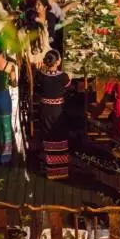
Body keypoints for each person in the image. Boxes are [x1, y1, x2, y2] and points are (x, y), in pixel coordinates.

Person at [35, 50, 72, 179]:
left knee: (47, 136)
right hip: (58, 111)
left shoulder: (40, 76)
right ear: (58, 62)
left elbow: (37, 89)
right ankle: (60, 169)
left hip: (45, 110)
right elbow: (69, 89)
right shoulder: (64, 77)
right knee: (59, 136)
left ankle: (48, 168)